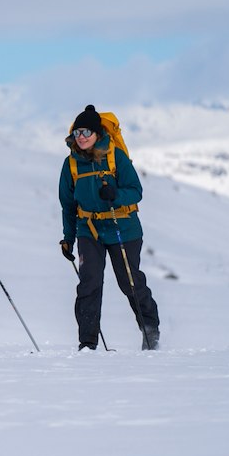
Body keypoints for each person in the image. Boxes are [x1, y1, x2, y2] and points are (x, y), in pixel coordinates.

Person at [59, 104, 161, 351]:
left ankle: (150, 330)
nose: (80, 137)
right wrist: (68, 238)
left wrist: (115, 195)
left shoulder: (115, 156)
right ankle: (88, 343)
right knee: (89, 284)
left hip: (122, 226)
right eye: (77, 132)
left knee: (129, 282)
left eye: (86, 132)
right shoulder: (71, 164)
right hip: (89, 229)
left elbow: (136, 191)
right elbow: (68, 204)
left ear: (97, 133)